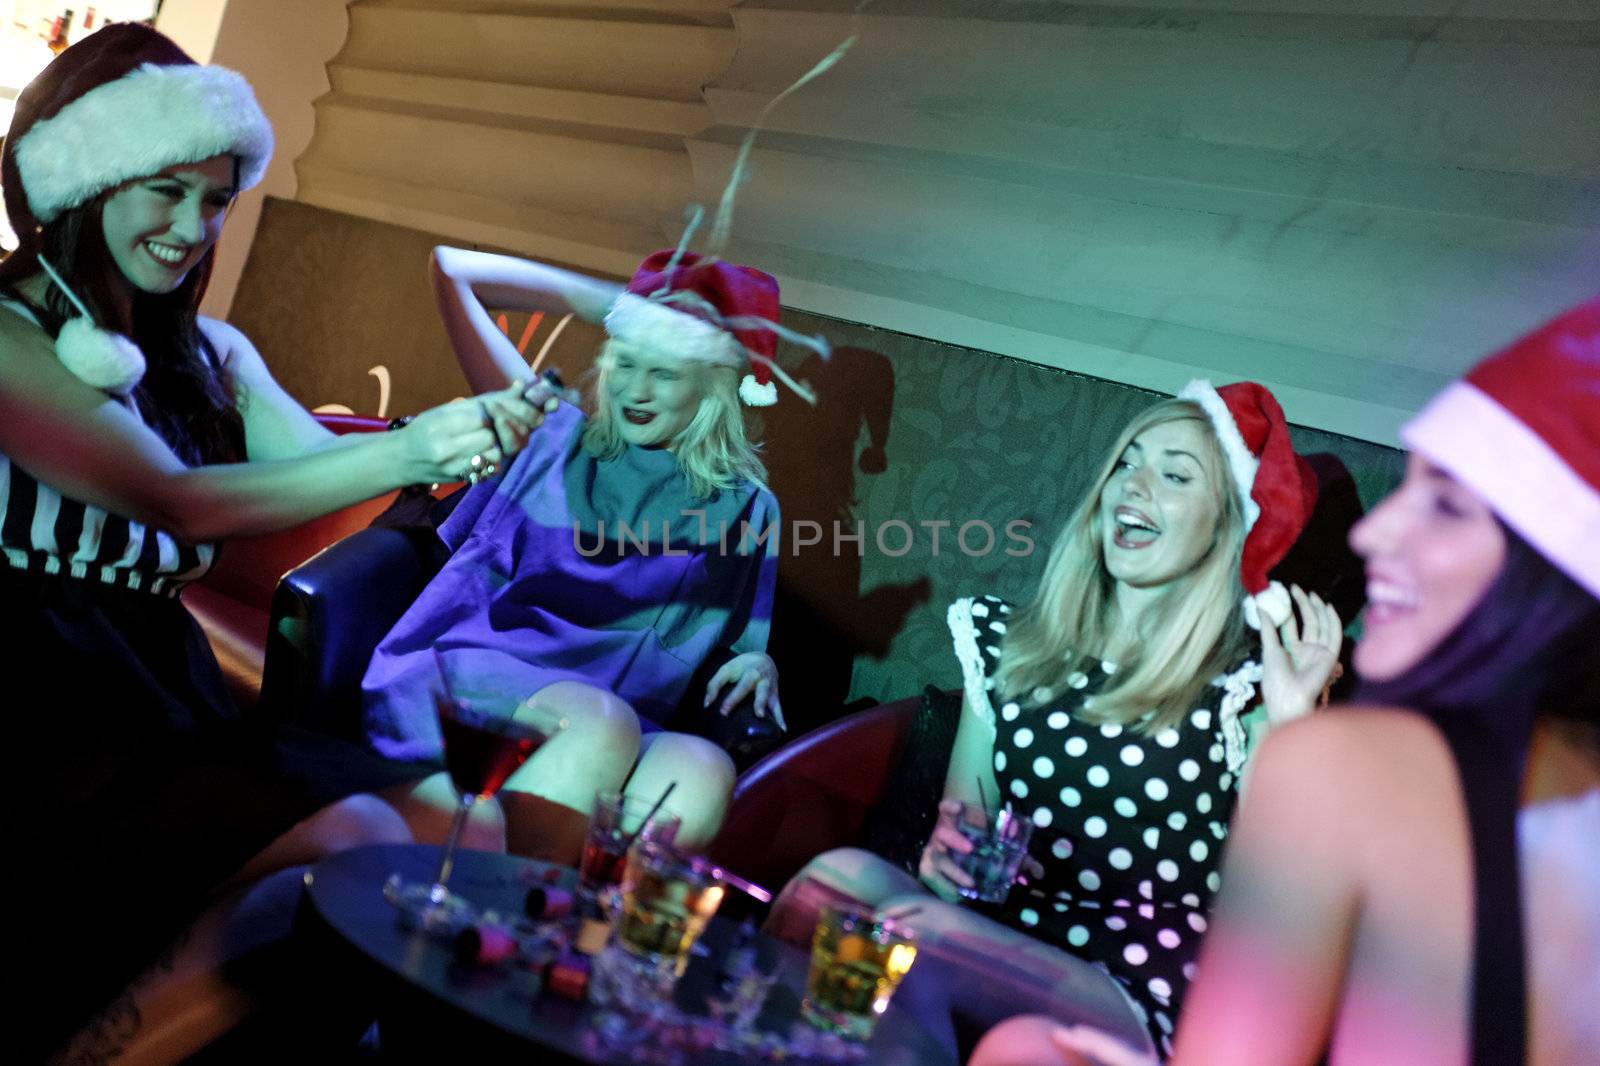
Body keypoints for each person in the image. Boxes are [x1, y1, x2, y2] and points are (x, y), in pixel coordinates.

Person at [0, 24, 547, 1061]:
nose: (192, 227)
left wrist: (466, 434)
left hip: (160, 679)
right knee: (352, 839)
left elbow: (326, 491)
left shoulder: (210, 351)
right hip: (42, 686)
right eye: (164, 190)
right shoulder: (9, 337)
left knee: (436, 826)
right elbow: (178, 501)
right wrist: (407, 454)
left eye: (216, 198)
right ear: (82, 182)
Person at [976, 297, 1600, 1066]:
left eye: (1443, 505)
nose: (1372, 533)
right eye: (1128, 466)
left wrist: (1294, 732)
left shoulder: (1343, 761)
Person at [770, 381, 1344, 1060]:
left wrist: (1293, 723)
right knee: (832, 884)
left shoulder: (1242, 693)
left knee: (915, 940)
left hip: (1137, 976)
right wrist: (944, 863)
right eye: (1127, 462)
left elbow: (1280, 919)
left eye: (1174, 474)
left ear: (1225, 526)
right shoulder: (1008, 645)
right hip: (993, 926)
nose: (1134, 484)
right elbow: (965, 832)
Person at [360, 243, 804, 853]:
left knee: (699, 772)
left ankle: (579, 930)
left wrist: (759, 661)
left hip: (619, 714)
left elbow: (735, 641)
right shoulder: (550, 431)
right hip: (473, 684)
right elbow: (452, 270)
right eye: (626, 363)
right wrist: (618, 306)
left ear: (712, 387)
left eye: (665, 372)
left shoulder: (748, 507)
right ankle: (484, 917)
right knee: (598, 726)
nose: (635, 391)